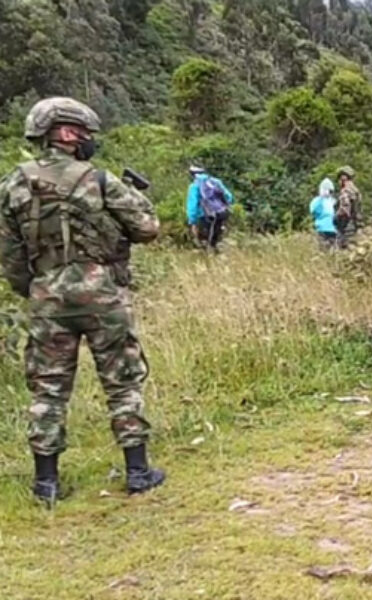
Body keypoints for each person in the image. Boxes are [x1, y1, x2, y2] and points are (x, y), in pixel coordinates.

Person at [0, 97, 164, 504]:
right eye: (85, 133)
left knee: (48, 389)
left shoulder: (13, 183)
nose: (90, 140)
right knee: (122, 380)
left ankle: (46, 484)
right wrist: (141, 199)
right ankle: (139, 471)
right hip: (101, 294)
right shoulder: (100, 180)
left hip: (46, 296)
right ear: (68, 133)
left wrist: (36, 288)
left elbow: (9, 253)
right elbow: (147, 229)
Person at [187, 165, 234, 251]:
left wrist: (192, 221)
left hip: (206, 216)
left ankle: (208, 257)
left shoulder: (194, 186)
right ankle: (217, 253)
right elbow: (229, 197)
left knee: (205, 241)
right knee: (216, 237)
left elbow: (192, 206)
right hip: (221, 213)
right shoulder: (216, 182)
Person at [336, 166, 362, 248]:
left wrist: (335, 218)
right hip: (355, 225)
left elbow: (344, 210)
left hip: (346, 227)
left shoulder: (345, 191)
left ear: (344, 178)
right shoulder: (356, 190)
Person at [310, 177, 338, 250]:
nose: (329, 193)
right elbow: (313, 211)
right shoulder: (317, 200)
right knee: (323, 250)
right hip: (322, 230)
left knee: (333, 252)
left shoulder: (333, 201)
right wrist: (321, 198)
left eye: (330, 191)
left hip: (333, 230)